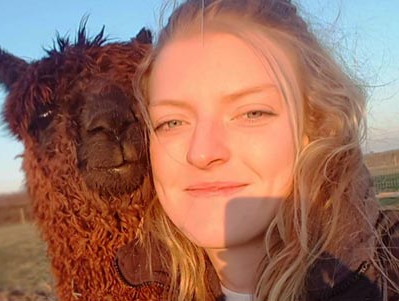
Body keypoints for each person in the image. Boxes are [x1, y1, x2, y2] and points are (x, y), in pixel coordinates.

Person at [114, 0, 399, 300]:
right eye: (172, 122)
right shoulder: (136, 286)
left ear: (315, 127)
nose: (201, 152)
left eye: (252, 113)